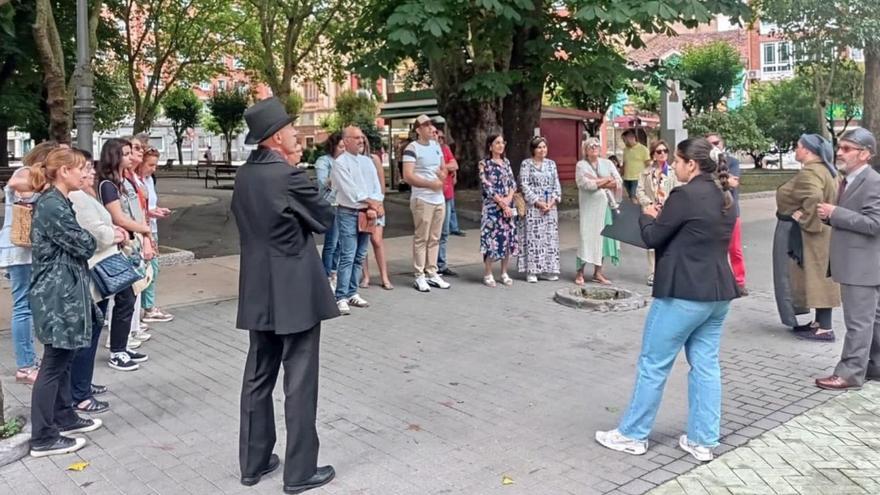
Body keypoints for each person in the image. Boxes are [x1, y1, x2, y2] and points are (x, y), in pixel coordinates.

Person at [596, 138, 739, 463]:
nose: (673, 165)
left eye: (677, 160)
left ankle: (633, 434)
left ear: (692, 164)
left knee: (653, 363)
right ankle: (703, 441)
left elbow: (652, 237)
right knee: (705, 365)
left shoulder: (684, 195)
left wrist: (648, 215)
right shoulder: (725, 194)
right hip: (718, 293)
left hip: (683, 293)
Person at [232, 97, 337, 493]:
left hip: (258, 287)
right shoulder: (288, 176)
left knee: (258, 374)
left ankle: (253, 462)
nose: (296, 132)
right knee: (300, 378)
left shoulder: (245, 176)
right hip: (294, 288)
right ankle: (299, 472)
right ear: (276, 137)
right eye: (292, 128)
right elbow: (324, 218)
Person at [28, 148, 103, 458]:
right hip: (56, 294)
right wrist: (87, 238)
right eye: (77, 169)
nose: (83, 174)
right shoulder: (52, 206)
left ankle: (64, 414)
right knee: (55, 361)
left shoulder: (58, 202)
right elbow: (84, 243)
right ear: (63, 172)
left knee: (66, 356)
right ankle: (43, 436)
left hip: (66, 290)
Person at [815, 128, 880, 390]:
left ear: (865, 154)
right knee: (872, 319)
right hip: (860, 263)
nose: (839, 153)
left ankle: (850, 374)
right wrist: (831, 217)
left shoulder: (872, 181)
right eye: (839, 147)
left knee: (859, 322)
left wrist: (836, 213)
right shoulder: (849, 179)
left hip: (862, 266)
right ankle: (873, 367)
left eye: (847, 149)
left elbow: (875, 223)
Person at [68, 149, 128, 414]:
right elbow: (93, 232)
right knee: (89, 334)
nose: (91, 172)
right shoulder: (77, 197)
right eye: (85, 168)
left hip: (98, 269)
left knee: (93, 332)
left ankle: (83, 383)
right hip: (94, 270)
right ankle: (79, 391)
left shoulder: (85, 194)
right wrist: (115, 233)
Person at [773, 135, 841, 341]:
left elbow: (813, 197)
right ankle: (819, 323)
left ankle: (825, 328)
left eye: (798, 146)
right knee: (821, 277)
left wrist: (805, 219)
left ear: (809, 151)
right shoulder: (827, 170)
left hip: (813, 235)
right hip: (825, 233)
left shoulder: (810, 172)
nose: (796, 149)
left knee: (818, 278)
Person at [0, 141, 58, 384]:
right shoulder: (24, 173)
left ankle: (32, 360)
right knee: (23, 305)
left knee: (34, 305)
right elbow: (15, 184)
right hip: (19, 249)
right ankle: (25, 365)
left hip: (31, 250)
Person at [97, 138, 150, 371]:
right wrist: (144, 229)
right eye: (126, 154)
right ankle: (117, 350)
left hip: (126, 246)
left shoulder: (121, 182)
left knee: (128, 298)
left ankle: (122, 345)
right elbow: (118, 217)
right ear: (115, 157)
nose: (131, 158)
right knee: (124, 298)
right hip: (116, 249)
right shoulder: (108, 185)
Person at [331, 125, 384, 314]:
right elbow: (351, 191)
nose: (361, 140)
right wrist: (373, 203)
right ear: (346, 141)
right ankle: (341, 296)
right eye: (356, 137)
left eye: (362, 137)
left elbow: (376, 186)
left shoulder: (367, 162)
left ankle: (352, 292)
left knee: (360, 254)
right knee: (348, 254)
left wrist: (375, 204)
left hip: (367, 212)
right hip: (348, 212)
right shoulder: (340, 163)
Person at [403, 114, 450, 292]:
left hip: (438, 197)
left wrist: (442, 176)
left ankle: (432, 272)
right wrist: (431, 184)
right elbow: (408, 175)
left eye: (432, 126)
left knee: (435, 237)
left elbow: (443, 168)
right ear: (418, 130)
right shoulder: (412, 148)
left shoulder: (436, 145)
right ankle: (419, 274)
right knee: (422, 237)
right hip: (423, 197)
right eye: (427, 126)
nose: (432, 129)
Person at [575, 137, 622, 286]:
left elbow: (618, 181)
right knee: (587, 237)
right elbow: (585, 184)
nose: (594, 148)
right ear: (586, 150)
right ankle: (580, 272)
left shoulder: (607, 163)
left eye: (596, 145)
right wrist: (605, 181)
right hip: (589, 208)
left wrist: (600, 181)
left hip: (606, 207)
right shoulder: (581, 165)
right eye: (591, 146)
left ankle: (598, 272)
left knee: (603, 239)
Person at [517, 136, 561, 283]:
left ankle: (548, 269)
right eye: (539, 147)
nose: (543, 150)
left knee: (549, 238)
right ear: (533, 149)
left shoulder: (551, 164)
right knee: (534, 238)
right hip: (534, 207)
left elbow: (556, 184)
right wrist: (538, 202)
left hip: (550, 207)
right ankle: (532, 270)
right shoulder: (526, 164)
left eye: (544, 147)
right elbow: (524, 185)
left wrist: (552, 201)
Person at [708, 133, 747, 295]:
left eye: (716, 143)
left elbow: (732, 183)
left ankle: (740, 282)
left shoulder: (733, 162)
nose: (714, 147)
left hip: (731, 211)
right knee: (713, 248)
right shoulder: (707, 165)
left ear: (722, 143)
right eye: (710, 145)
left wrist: (720, 181)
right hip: (712, 211)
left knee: (735, 249)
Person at [138, 147, 173, 323]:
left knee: (154, 268)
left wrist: (156, 211)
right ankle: (148, 308)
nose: (153, 169)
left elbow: (149, 205)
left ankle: (148, 305)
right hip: (144, 229)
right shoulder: (136, 181)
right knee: (148, 268)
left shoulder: (149, 180)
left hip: (152, 227)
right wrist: (151, 213)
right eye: (150, 164)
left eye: (155, 165)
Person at [636, 140, 678, 287]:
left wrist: (668, 204)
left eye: (665, 151)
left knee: (669, 241)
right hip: (652, 211)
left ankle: (667, 271)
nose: (663, 154)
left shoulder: (673, 172)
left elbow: (678, 190)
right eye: (659, 151)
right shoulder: (645, 172)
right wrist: (649, 204)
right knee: (652, 242)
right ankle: (653, 273)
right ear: (653, 154)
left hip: (668, 210)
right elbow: (639, 191)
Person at [479, 133, 518, 287]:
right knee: (491, 240)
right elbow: (487, 186)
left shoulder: (506, 163)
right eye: (497, 143)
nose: (500, 145)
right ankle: (488, 273)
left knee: (507, 239)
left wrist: (508, 200)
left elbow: (512, 183)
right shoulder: (484, 164)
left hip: (508, 207)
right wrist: (502, 204)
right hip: (492, 209)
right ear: (490, 146)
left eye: (502, 142)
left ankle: (504, 272)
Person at [360, 138, 393, 290]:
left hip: (376, 204)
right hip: (361, 205)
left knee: (377, 241)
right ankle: (365, 276)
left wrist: (379, 204)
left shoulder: (374, 159)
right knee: (363, 243)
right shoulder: (351, 161)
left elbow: (381, 185)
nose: (361, 144)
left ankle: (384, 277)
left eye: (363, 141)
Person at [315, 132, 344, 287]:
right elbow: (324, 183)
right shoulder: (324, 161)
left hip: (345, 205)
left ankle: (334, 272)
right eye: (340, 147)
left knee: (341, 243)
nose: (343, 150)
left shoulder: (347, 161)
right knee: (331, 242)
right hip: (331, 206)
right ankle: (326, 276)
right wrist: (338, 169)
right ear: (333, 146)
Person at [435, 127, 460, 277]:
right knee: (434, 233)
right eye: (437, 137)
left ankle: (441, 264)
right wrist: (446, 167)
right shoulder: (428, 151)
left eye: (442, 138)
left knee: (444, 232)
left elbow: (455, 165)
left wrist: (443, 168)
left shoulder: (445, 149)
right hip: (435, 196)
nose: (440, 140)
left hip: (447, 194)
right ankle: (431, 264)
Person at [621, 129, 651, 201]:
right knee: (631, 197)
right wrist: (620, 174)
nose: (624, 142)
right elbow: (624, 163)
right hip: (626, 178)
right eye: (623, 140)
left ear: (632, 138)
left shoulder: (643, 149)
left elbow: (648, 164)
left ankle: (638, 210)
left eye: (625, 140)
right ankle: (636, 209)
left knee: (634, 196)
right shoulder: (625, 150)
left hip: (637, 178)